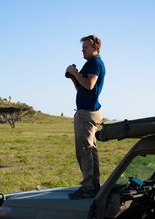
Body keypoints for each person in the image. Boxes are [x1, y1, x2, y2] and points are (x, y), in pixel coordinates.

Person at [66, 35, 106, 199]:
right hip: (89, 110)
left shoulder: (95, 63)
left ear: (95, 48)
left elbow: (89, 85)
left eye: (86, 47)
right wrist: (74, 76)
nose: (83, 49)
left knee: (84, 150)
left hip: (86, 112)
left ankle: (88, 188)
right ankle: (93, 185)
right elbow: (82, 88)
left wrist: (75, 72)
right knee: (90, 149)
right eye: (82, 47)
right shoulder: (91, 63)